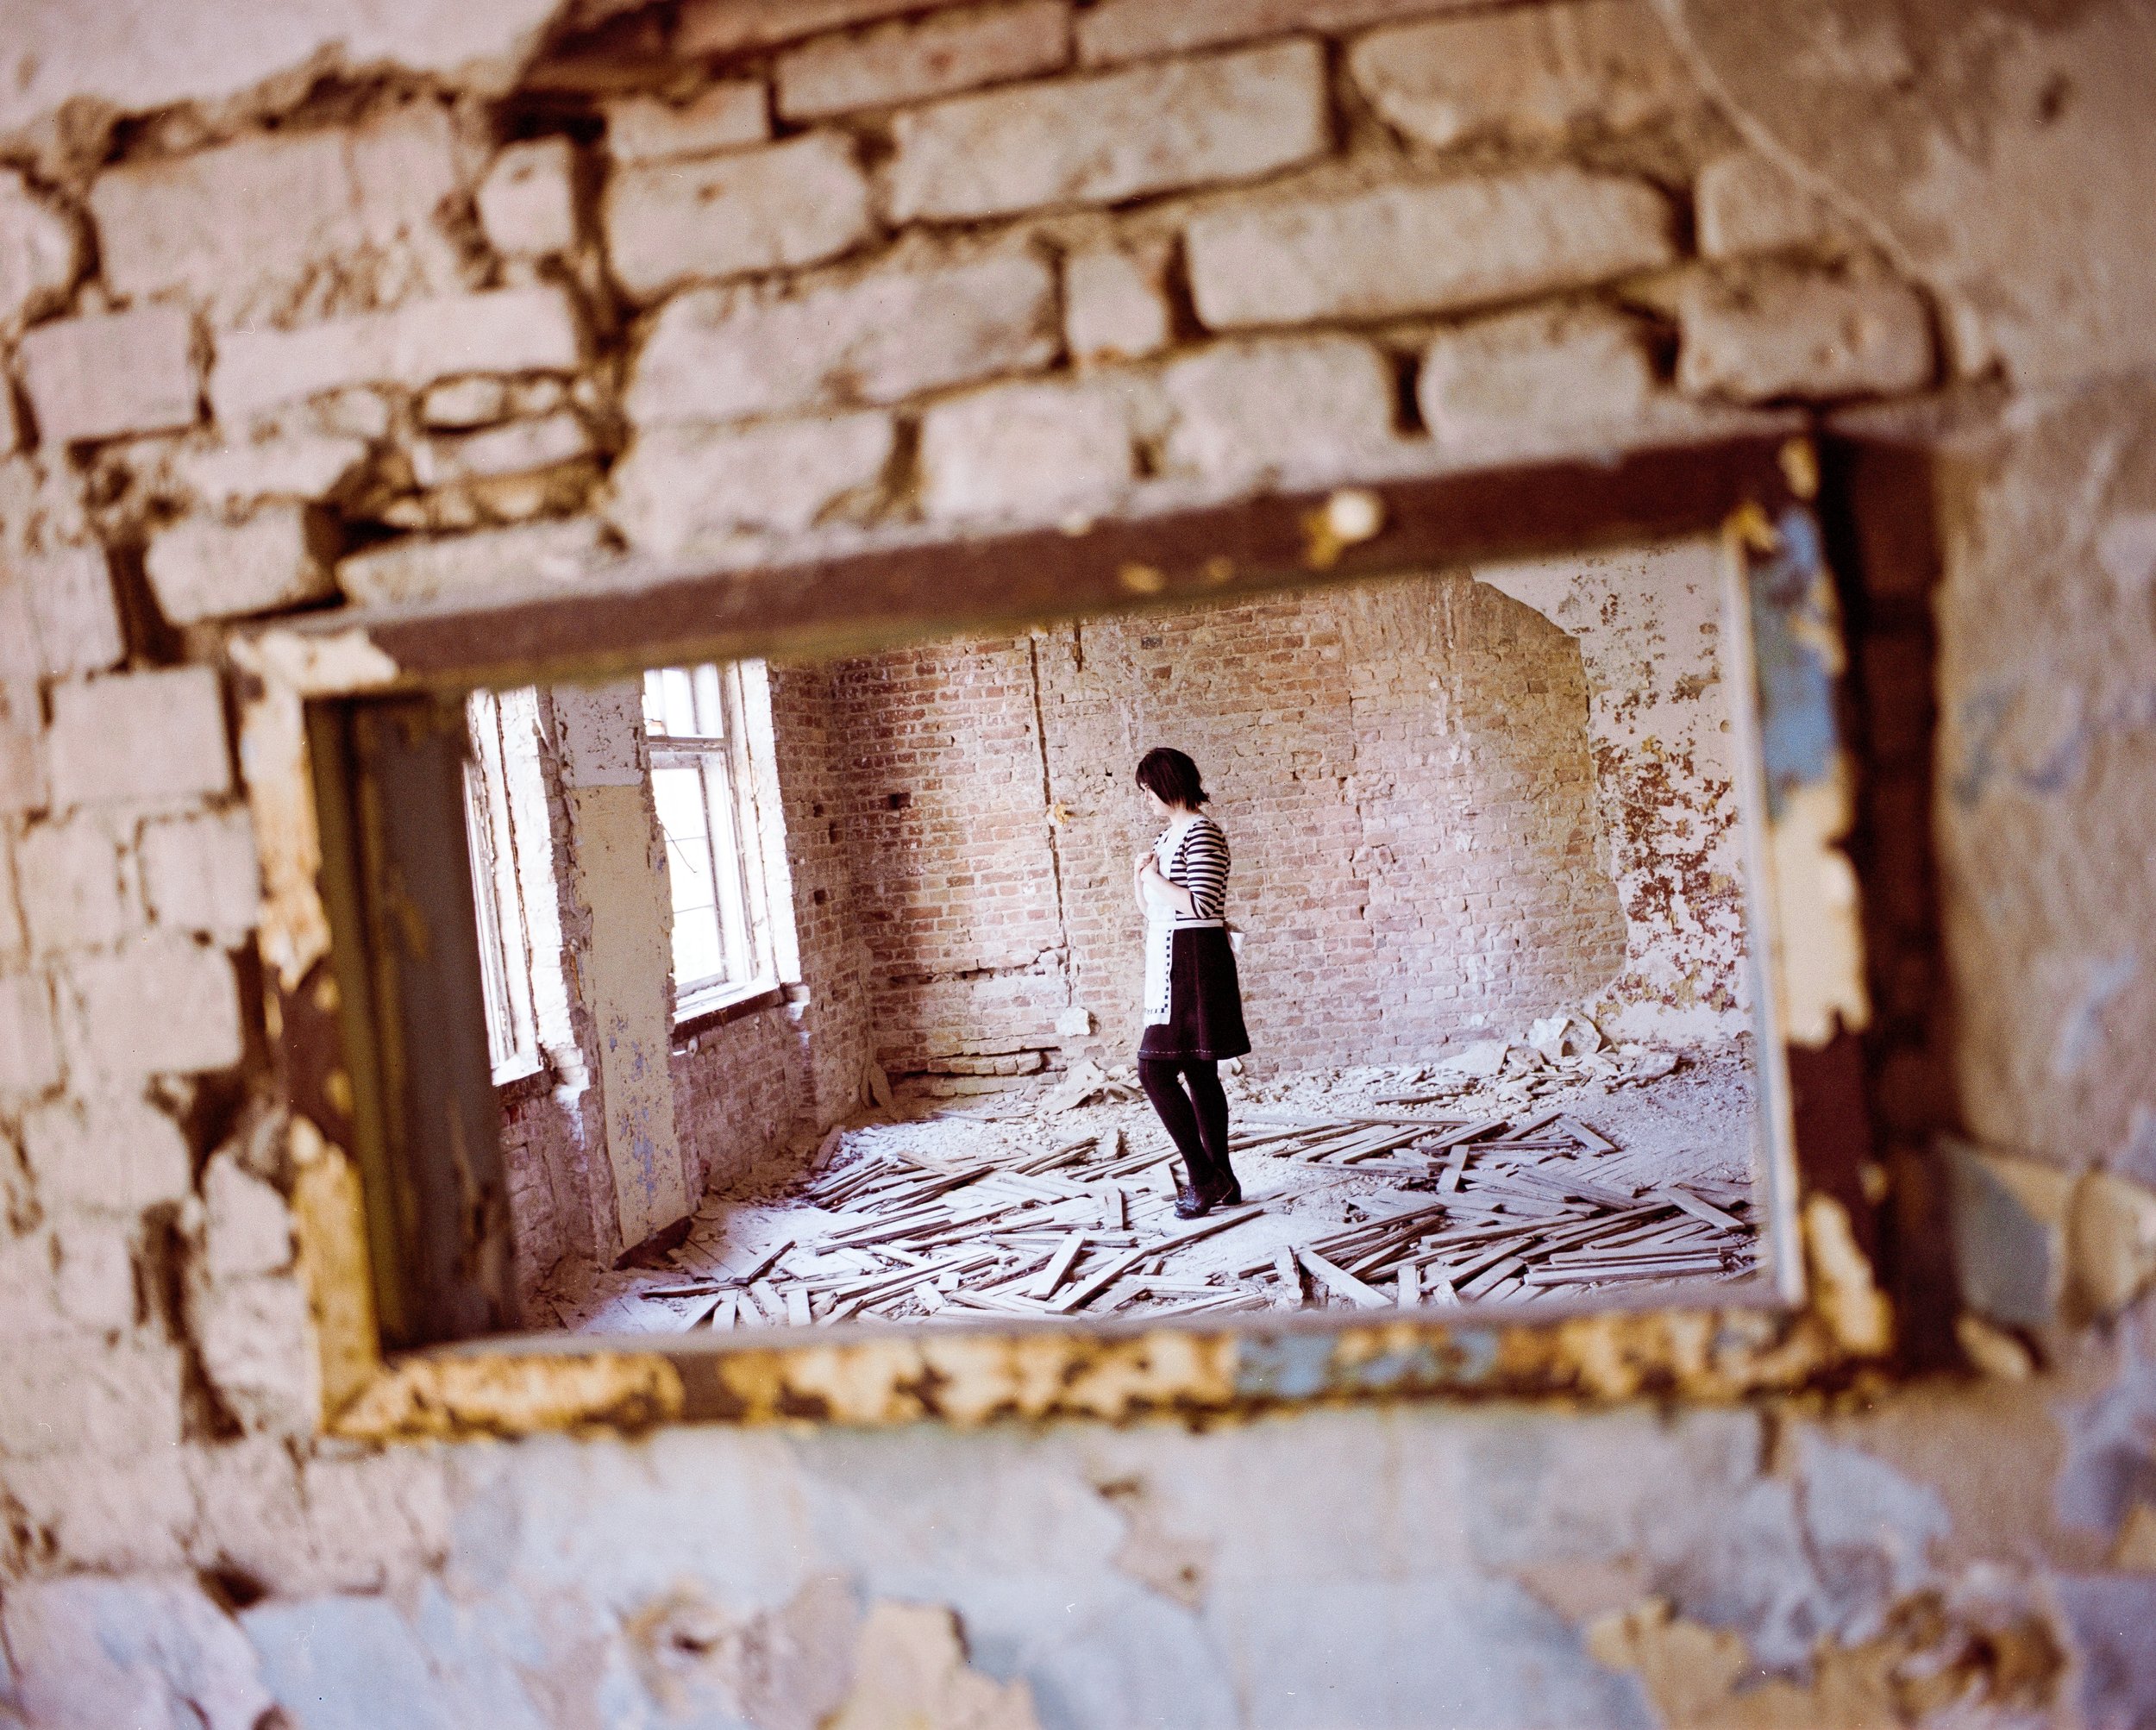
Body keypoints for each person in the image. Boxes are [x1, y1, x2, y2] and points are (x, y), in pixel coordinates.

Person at [1131, 747, 1250, 1219]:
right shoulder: (1166, 836)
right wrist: (1139, 877)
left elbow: (1202, 906)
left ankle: (1203, 1177)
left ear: (1168, 783)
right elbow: (1152, 909)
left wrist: (1150, 876)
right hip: (1168, 954)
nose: (1146, 801)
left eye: (1148, 790)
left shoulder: (1203, 832)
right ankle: (1222, 1179)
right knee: (1199, 1071)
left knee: (1154, 1070)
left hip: (1195, 957)